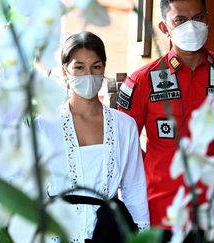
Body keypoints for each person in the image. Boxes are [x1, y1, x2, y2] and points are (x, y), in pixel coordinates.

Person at [117, 0, 214, 236]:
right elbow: (123, 143)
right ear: (165, 27)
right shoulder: (143, 81)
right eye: (181, 20)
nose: (192, 27)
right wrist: (156, 172)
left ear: (207, 19)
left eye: (198, 18)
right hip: (163, 211)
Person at [36, 31, 150, 242]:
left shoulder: (124, 126)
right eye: (79, 67)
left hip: (110, 232)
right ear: (65, 71)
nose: (89, 74)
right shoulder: (44, 126)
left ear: (104, 68)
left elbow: (134, 190)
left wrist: (142, 236)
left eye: (96, 66)